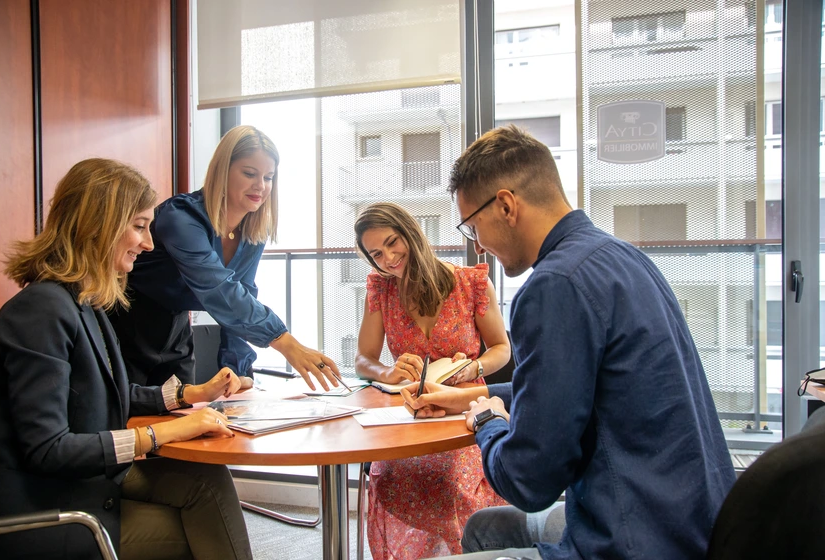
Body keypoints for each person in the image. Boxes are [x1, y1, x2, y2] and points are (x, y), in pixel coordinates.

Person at [404, 125, 737, 560]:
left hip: (632, 542)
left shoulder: (553, 286)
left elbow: (528, 482)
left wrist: (488, 424)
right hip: (694, 522)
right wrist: (466, 396)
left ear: (505, 205)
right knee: (485, 527)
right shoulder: (620, 257)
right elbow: (572, 387)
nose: (479, 247)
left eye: (472, 227)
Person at [0, 159, 253, 560]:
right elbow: (48, 450)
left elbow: (104, 392)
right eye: (140, 227)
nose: (148, 245)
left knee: (207, 481)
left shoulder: (83, 303)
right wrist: (161, 435)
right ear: (99, 225)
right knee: (193, 534)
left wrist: (189, 394)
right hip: (45, 509)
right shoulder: (40, 311)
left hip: (84, 483)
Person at [109, 125, 340, 391]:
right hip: (127, 326)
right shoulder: (180, 218)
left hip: (176, 335)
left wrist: (236, 369)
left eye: (268, 177)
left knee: (184, 417)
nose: (260, 186)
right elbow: (220, 290)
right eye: (250, 173)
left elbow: (242, 298)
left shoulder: (253, 233)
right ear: (223, 171)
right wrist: (284, 341)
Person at [354, 202, 512, 559]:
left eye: (393, 242)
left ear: (412, 233)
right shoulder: (382, 290)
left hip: (464, 412)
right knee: (391, 478)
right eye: (376, 253)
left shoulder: (470, 283)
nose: (389, 258)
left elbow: (501, 349)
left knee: (455, 480)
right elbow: (362, 359)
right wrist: (386, 372)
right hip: (411, 413)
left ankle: (469, 551)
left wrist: (474, 369)